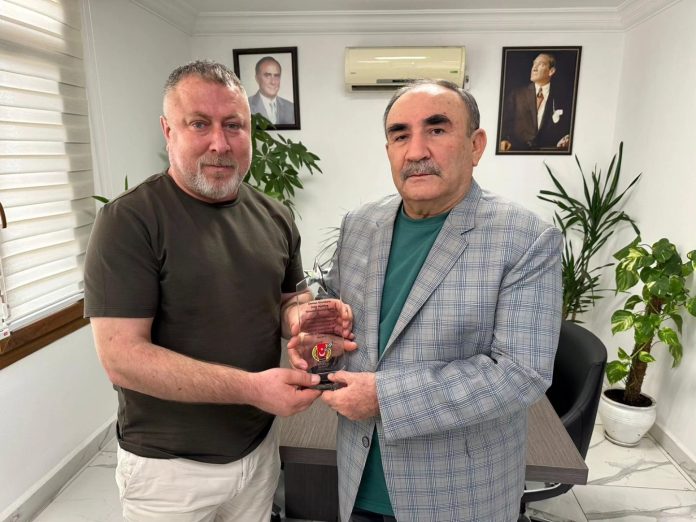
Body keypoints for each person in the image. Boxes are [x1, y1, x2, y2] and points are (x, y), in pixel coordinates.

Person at [84, 60, 350, 521]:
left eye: (233, 125)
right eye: (199, 124)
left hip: (258, 449)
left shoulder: (275, 214)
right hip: (169, 470)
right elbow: (121, 357)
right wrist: (253, 388)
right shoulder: (129, 221)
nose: (220, 143)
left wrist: (308, 322)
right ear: (168, 130)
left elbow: (289, 300)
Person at [291, 80, 563, 521]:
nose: (415, 151)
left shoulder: (525, 238)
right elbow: (337, 315)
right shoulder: (360, 224)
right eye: (400, 135)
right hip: (356, 480)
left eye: (437, 130)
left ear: (475, 146)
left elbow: (521, 373)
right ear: (389, 150)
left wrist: (385, 398)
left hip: (457, 495)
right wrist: (317, 341)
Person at [499, 52, 572, 152]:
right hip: (517, 153)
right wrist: (503, 140)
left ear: (551, 71)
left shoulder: (562, 97)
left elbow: (567, 129)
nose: (534, 68)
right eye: (534, 64)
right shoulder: (516, 95)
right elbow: (505, 123)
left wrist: (566, 140)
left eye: (541, 64)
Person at [248, 56, 295, 125]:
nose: (273, 82)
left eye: (276, 76)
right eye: (267, 76)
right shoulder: (246, 106)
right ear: (257, 78)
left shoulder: (291, 108)